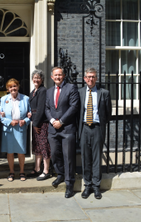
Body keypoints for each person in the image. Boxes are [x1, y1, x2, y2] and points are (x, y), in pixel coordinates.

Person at [45, 67, 79, 198]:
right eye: (55, 75)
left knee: (68, 157)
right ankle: (60, 175)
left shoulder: (71, 88)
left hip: (67, 129)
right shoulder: (49, 91)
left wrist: (62, 121)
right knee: (55, 153)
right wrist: (53, 120)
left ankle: (69, 184)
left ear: (64, 76)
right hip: (53, 128)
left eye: (60, 75)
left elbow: (74, 107)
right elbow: (47, 108)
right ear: (51, 77)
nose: (58, 77)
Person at [78, 67, 112, 199]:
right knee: (85, 158)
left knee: (97, 158)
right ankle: (87, 185)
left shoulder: (104, 93)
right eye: (88, 76)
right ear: (85, 79)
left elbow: (108, 114)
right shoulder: (80, 92)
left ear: (96, 78)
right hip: (84, 128)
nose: (90, 79)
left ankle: (96, 186)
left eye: (93, 76)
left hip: (97, 128)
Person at [0, 78, 31, 182]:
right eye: (10, 86)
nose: (13, 88)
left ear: (18, 87)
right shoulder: (3, 99)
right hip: (9, 128)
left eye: (15, 86)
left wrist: (25, 121)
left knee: (21, 152)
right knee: (10, 152)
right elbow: (1, 117)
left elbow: (30, 114)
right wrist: (9, 122)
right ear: (8, 89)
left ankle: (22, 171)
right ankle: (11, 172)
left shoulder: (25, 98)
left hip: (20, 128)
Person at [27, 70, 51, 181]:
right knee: (37, 146)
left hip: (41, 123)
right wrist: (30, 114)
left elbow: (41, 109)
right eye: (34, 77)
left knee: (44, 146)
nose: (36, 79)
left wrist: (35, 123)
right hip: (35, 121)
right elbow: (33, 108)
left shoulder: (42, 90)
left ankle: (46, 170)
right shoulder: (33, 91)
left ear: (42, 80)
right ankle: (37, 168)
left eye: (38, 78)